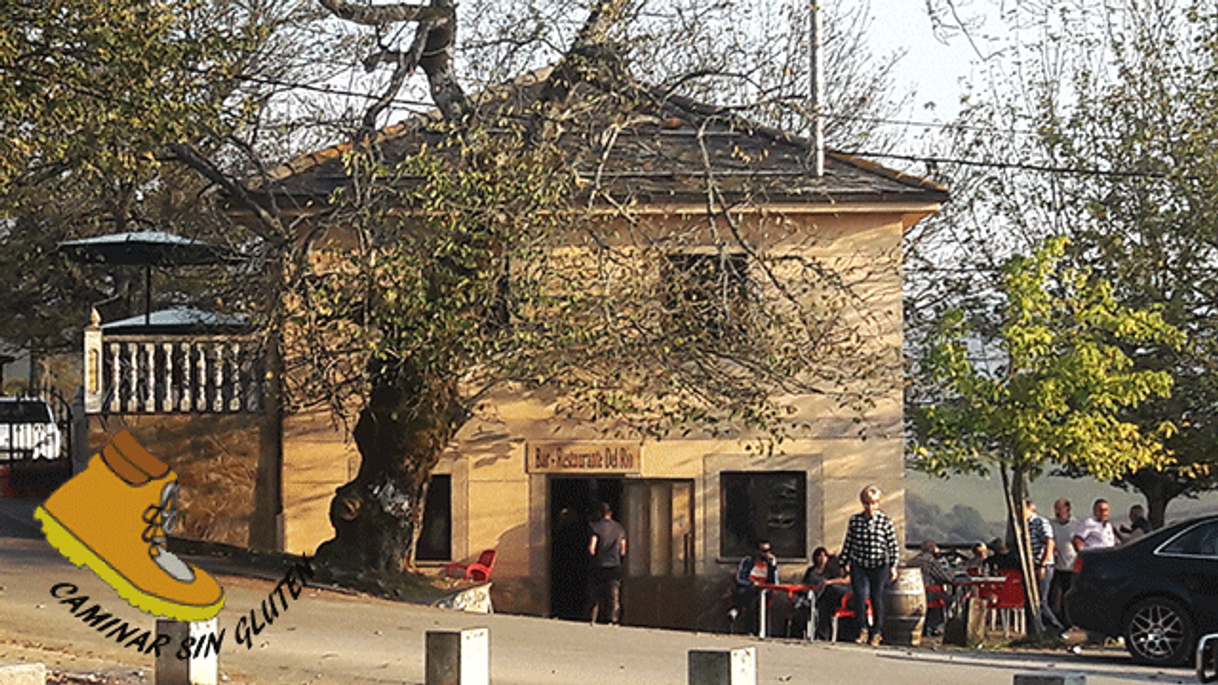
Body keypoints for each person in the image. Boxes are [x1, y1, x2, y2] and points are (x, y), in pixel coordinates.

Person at [840, 484, 900, 646]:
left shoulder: (885, 521)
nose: (870, 507)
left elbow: (892, 545)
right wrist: (843, 562)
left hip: (879, 564)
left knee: (877, 597)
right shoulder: (855, 521)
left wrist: (893, 565)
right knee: (859, 596)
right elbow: (849, 542)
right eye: (867, 503)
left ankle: (877, 632)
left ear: (878, 503)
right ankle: (862, 628)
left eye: (873, 503)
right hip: (859, 563)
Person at [793, 546, 850, 640]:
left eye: (824, 556)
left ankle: (823, 634)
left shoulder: (832, 570)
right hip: (810, 594)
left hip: (823, 595)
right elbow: (804, 583)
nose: (822, 559)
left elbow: (845, 580)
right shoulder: (811, 570)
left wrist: (828, 582)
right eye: (819, 556)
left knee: (823, 609)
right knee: (801, 609)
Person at [1025, 499, 1063, 630]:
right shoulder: (1024, 525)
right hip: (1031, 565)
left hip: (1043, 565)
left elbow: (1049, 543)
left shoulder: (1040, 522)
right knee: (1033, 598)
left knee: (1041, 599)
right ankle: (1037, 627)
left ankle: (1055, 626)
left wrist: (1043, 564)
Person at [587, 501, 627, 625]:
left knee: (595, 593)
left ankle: (593, 618)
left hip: (599, 564)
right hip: (614, 565)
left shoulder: (595, 527)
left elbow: (591, 548)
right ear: (610, 514)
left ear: (600, 514)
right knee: (613, 594)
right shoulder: (619, 528)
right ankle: (613, 620)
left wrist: (593, 556)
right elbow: (623, 549)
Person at [906, 540, 954, 635]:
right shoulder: (930, 561)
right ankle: (937, 626)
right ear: (933, 550)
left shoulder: (912, 561)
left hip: (912, 592)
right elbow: (944, 577)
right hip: (928, 593)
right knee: (948, 599)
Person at [732, 540, 779, 634]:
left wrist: (773, 566)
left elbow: (775, 582)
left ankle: (738, 609)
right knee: (753, 595)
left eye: (769, 550)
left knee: (758, 597)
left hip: (763, 591)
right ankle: (751, 629)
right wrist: (752, 584)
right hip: (747, 589)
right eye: (764, 551)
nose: (767, 554)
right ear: (757, 551)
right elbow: (739, 578)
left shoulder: (770, 565)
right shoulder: (747, 561)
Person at [1049, 498, 1077, 623]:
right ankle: (1057, 623)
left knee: (1069, 596)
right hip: (1058, 567)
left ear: (1068, 509)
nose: (1057, 511)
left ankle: (1070, 622)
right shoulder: (1052, 525)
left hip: (1072, 567)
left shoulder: (1075, 525)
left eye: (1060, 508)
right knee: (1055, 598)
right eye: (1056, 509)